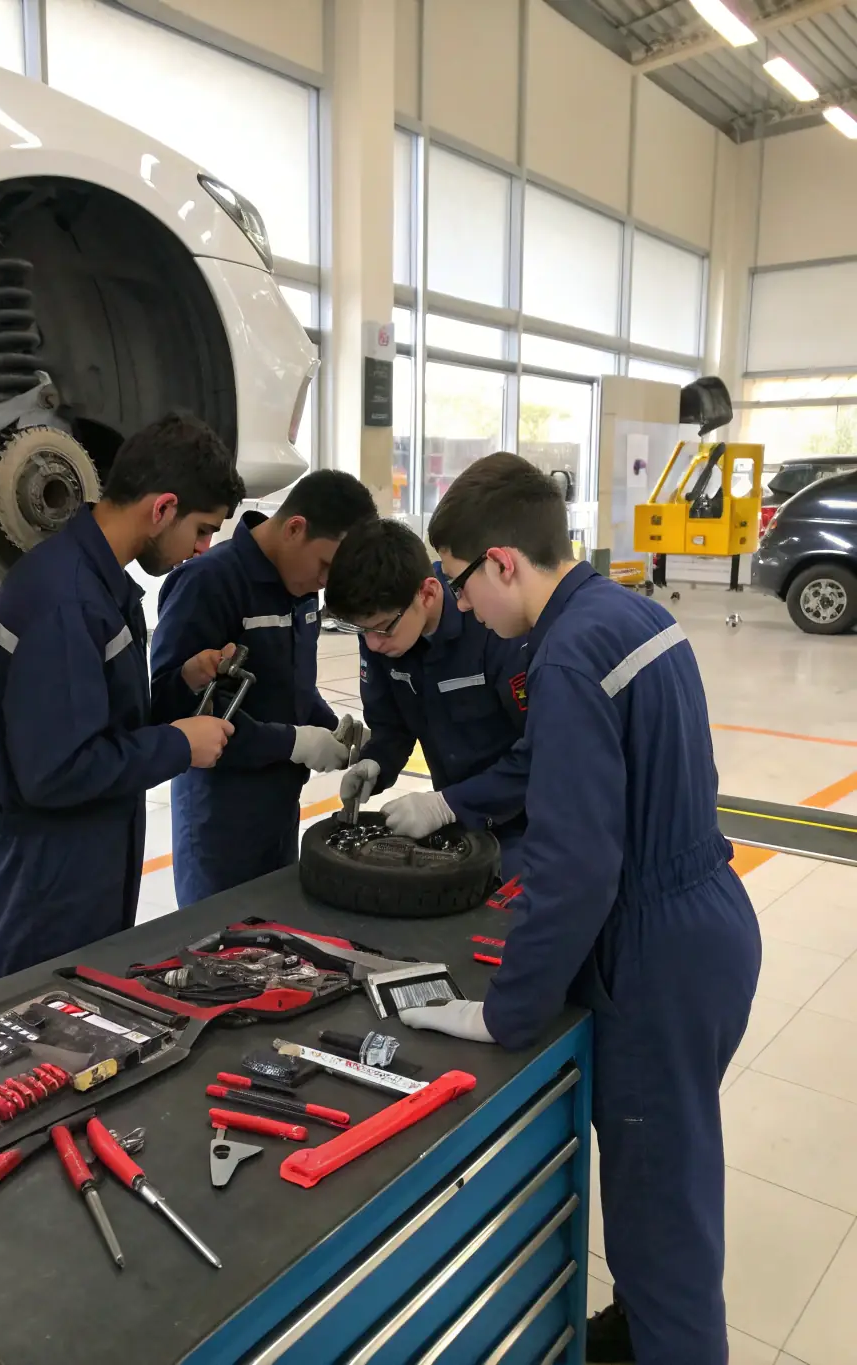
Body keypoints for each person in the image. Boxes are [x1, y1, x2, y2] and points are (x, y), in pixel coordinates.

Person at [396, 452, 761, 1365]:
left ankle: (669, 1340)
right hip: (708, 914)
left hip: (655, 954)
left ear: (504, 562)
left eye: (462, 582)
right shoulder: (630, 612)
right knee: (670, 1167)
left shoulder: (563, 656)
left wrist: (507, 1009)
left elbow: (577, 866)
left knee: (656, 1204)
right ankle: (640, 1327)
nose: (465, 606)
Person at [0, 413, 246, 981]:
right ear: (162, 507)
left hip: (85, 857)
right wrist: (177, 746)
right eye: (200, 529)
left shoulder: (100, 584)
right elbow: (58, 771)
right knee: (45, 1034)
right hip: (46, 878)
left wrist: (180, 687)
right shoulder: (67, 601)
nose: (202, 548)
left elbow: (97, 724)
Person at [150, 469, 377, 905]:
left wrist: (332, 730)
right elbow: (176, 709)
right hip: (220, 819)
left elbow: (294, 688)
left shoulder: (301, 588)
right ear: (295, 528)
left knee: (273, 940)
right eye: (326, 566)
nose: (325, 581)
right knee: (217, 945)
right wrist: (294, 742)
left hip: (279, 807)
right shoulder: (208, 582)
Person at [324, 517, 528, 877]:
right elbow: (392, 726)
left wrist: (449, 805)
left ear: (428, 594)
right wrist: (376, 764)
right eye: (361, 630)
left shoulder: (493, 625)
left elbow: (540, 753)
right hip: (457, 827)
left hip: (527, 825)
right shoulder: (380, 631)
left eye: (382, 628)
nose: (372, 643)